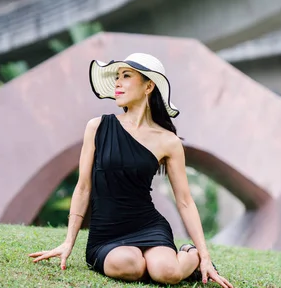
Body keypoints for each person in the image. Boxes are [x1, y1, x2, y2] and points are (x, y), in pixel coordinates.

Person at [29, 53, 233, 287]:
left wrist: (206, 256)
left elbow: (185, 201)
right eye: (117, 76)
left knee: (167, 272)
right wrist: (68, 242)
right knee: (130, 265)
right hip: (107, 234)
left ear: (149, 86)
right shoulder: (97, 127)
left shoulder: (168, 141)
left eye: (126, 76)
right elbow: (84, 187)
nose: (118, 82)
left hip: (148, 226)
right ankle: (151, 261)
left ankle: (193, 255)